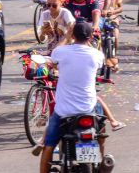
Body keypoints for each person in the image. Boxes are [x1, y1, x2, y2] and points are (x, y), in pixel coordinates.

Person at [39, 21, 106, 173]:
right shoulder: (97, 55)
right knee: (101, 133)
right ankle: (101, 160)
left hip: (64, 112)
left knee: (49, 144)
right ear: (90, 38)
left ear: (73, 35)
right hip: (89, 108)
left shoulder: (61, 52)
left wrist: (67, 36)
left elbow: (53, 61)